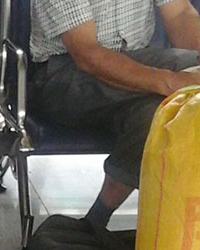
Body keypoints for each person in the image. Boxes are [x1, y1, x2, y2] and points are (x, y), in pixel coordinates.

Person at [30, 0, 200, 227]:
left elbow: (179, 14)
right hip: (65, 77)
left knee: (159, 115)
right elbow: (87, 54)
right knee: (183, 68)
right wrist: (172, 81)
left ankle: (94, 222)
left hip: (138, 67)